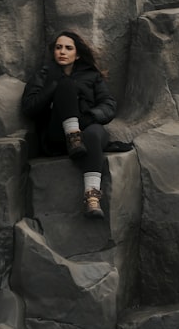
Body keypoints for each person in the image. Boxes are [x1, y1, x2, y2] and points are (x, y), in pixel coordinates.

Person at [21, 31, 117, 218]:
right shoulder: (44, 74)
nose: (62, 52)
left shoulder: (92, 76)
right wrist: (54, 87)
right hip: (57, 136)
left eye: (68, 48)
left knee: (93, 134)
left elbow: (108, 105)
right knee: (65, 85)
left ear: (77, 54)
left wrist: (89, 117)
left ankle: (92, 198)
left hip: (88, 128)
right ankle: (73, 138)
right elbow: (29, 107)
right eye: (58, 47)